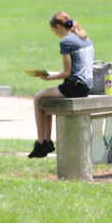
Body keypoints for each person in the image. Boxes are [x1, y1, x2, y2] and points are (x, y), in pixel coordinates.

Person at [30, 11, 94, 159]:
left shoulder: (66, 42)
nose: (54, 34)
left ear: (58, 27)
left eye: (53, 30)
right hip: (85, 85)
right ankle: (46, 141)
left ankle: (41, 142)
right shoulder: (84, 38)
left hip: (75, 86)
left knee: (38, 98)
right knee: (46, 100)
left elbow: (66, 72)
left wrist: (48, 77)